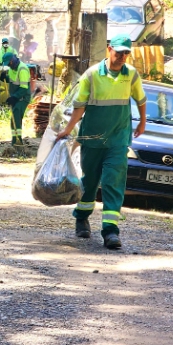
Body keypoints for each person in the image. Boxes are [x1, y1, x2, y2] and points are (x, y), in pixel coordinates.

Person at [56, 34, 147, 250]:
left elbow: (141, 99)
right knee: (89, 181)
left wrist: (142, 123)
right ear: (109, 50)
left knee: (113, 181)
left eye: (126, 53)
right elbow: (80, 106)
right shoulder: (92, 74)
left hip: (117, 139)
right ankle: (82, 217)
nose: (122, 57)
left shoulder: (131, 75)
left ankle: (110, 231)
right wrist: (68, 129)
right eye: (119, 52)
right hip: (92, 139)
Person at [1, 53, 34, 147]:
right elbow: (12, 80)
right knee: (13, 120)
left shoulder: (22, 69)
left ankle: (18, 141)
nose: (8, 65)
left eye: (9, 63)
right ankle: (14, 140)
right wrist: (5, 78)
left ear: (12, 61)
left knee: (16, 117)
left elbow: (23, 88)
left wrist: (14, 97)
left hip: (22, 98)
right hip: (16, 97)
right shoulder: (12, 69)